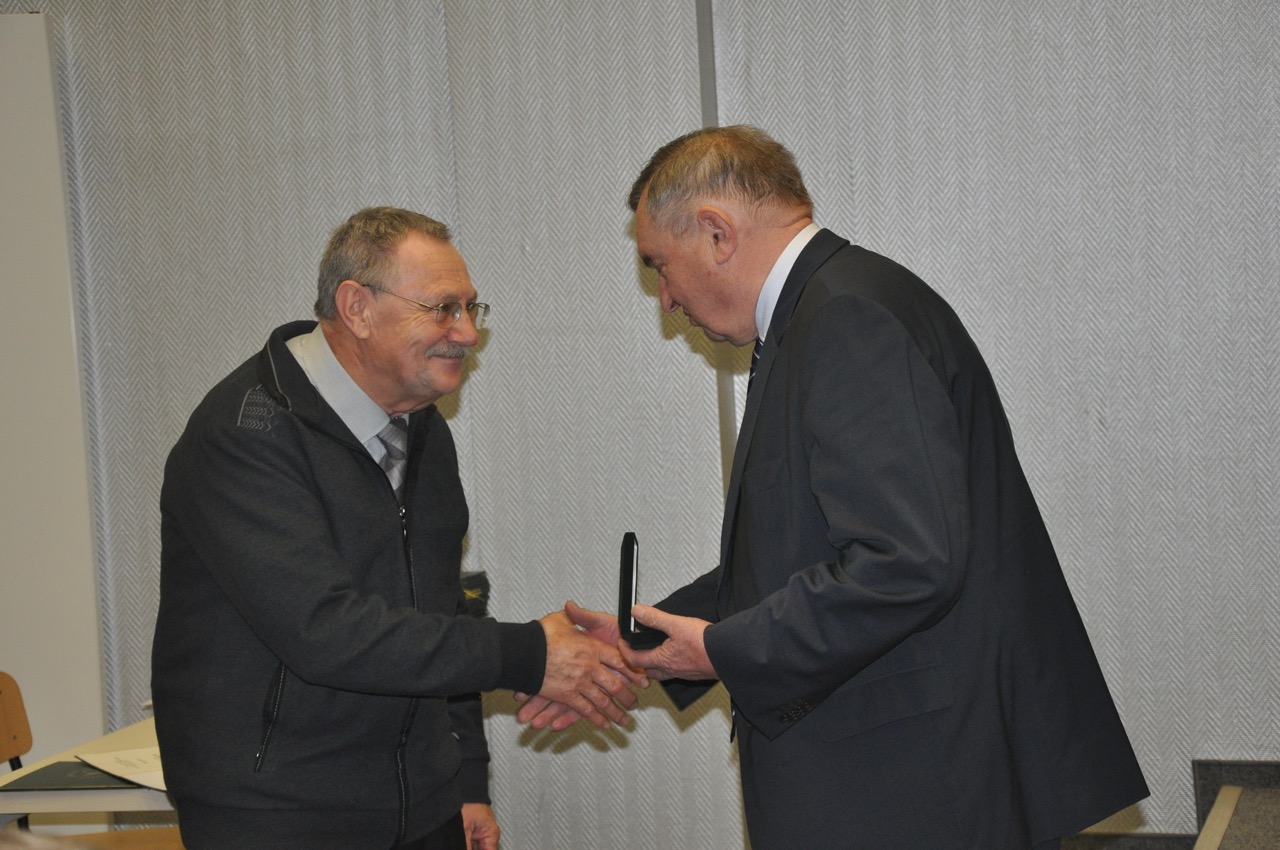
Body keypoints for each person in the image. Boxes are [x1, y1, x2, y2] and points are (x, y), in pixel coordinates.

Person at [521, 126, 1149, 848]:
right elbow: (810, 549)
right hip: (902, 771)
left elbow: (906, 563)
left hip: (908, 785)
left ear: (717, 233)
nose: (665, 299)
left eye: (660, 266)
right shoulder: (827, 308)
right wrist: (654, 634)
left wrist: (725, 650)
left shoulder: (846, 318)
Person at [152, 207, 644, 850]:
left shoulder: (421, 426)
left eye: (471, 309)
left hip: (425, 803)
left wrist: (466, 781)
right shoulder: (245, 435)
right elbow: (324, 632)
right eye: (443, 309)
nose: (467, 333)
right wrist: (528, 655)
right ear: (356, 308)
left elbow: (442, 610)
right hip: (279, 815)